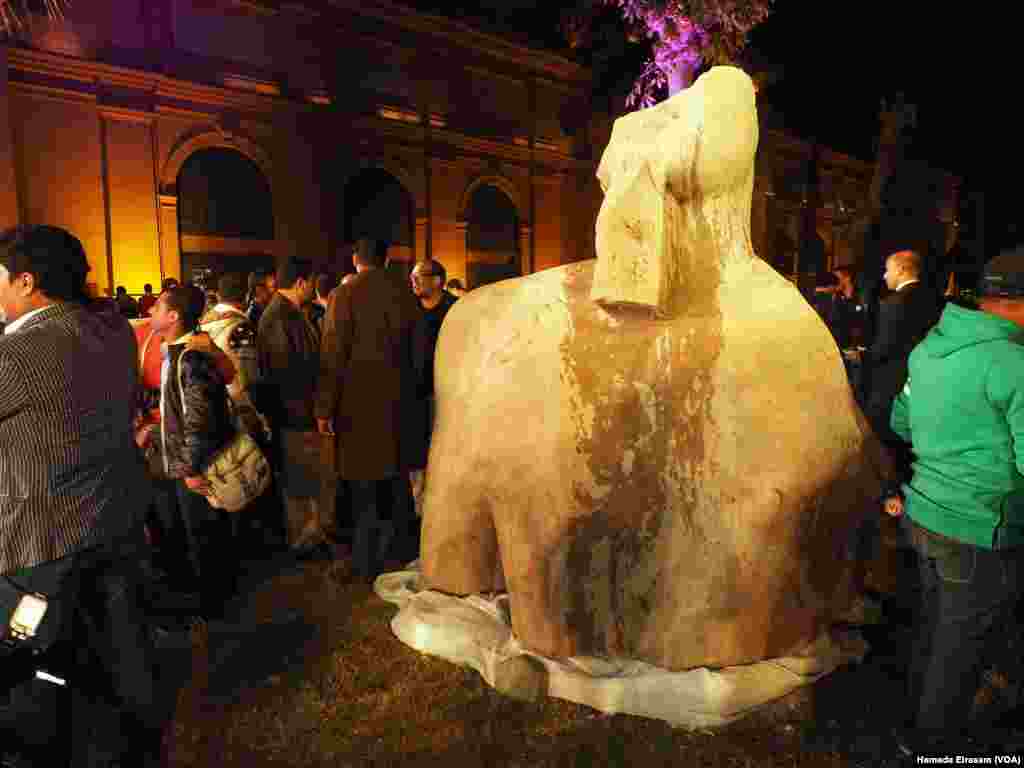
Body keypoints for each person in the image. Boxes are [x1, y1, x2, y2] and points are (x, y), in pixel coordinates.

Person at [0, 225, 164, 765]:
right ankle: (131, 744)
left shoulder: (20, 351)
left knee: (29, 652)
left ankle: (41, 748)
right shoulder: (111, 331)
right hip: (113, 523)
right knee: (119, 649)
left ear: (26, 282)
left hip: (38, 548)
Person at [885, 245, 1024, 755]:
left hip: (922, 511)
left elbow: (901, 420)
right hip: (977, 525)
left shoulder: (928, 348)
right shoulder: (1014, 363)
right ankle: (934, 746)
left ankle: (912, 730)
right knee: (958, 649)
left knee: (934, 629)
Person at [316, 238, 428, 581]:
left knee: (363, 488)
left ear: (355, 260)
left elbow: (333, 354)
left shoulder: (344, 295)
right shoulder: (406, 296)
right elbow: (421, 354)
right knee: (397, 483)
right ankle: (403, 554)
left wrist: (324, 407)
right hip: (400, 406)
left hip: (357, 409)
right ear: (386, 260)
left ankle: (365, 563)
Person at [150, 283, 238, 620]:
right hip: (180, 461)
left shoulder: (190, 357)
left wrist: (190, 469)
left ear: (173, 316)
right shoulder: (174, 351)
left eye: (158, 307)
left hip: (192, 465)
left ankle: (213, 606)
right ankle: (202, 597)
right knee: (190, 536)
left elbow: (200, 420)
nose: (152, 311)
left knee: (202, 538)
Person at [254, 257, 333, 557]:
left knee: (305, 478)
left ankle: (311, 535)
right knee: (299, 481)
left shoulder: (288, 313)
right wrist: (311, 411)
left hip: (296, 416)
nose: (314, 288)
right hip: (294, 417)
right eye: (311, 282)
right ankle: (303, 540)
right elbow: (287, 374)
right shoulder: (280, 317)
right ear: (301, 282)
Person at [861, 249, 942, 477]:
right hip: (927, 380)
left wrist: (862, 356)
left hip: (892, 382)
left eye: (887, 270)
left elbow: (884, 349)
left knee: (886, 439)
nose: (885, 276)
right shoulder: (936, 300)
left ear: (901, 270)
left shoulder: (894, 303)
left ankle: (892, 489)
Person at [409, 259, 457, 516]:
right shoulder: (408, 309)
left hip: (447, 393)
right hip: (416, 394)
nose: (413, 281)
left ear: (438, 280)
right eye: (412, 277)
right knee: (418, 455)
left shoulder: (454, 309)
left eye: (420, 276)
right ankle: (419, 511)